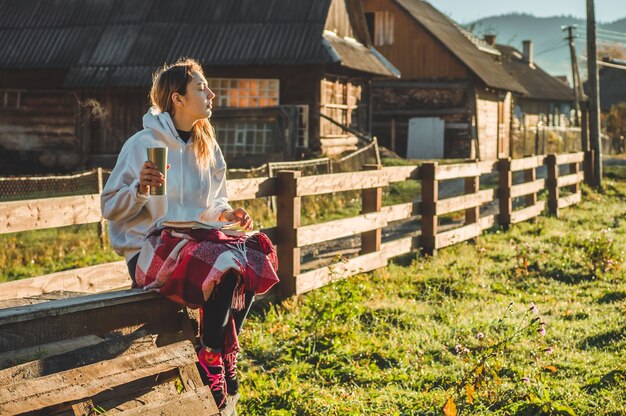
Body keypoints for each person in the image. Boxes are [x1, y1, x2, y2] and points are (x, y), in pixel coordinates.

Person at [101, 58, 274, 409]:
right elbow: (109, 208)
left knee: (257, 253)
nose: (211, 93)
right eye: (201, 87)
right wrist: (140, 189)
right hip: (149, 252)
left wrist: (227, 213)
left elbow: (214, 201)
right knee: (224, 260)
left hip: (195, 245)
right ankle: (211, 355)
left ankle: (223, 351)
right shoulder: (142, 144)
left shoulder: (206, 145)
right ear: (177, 98)